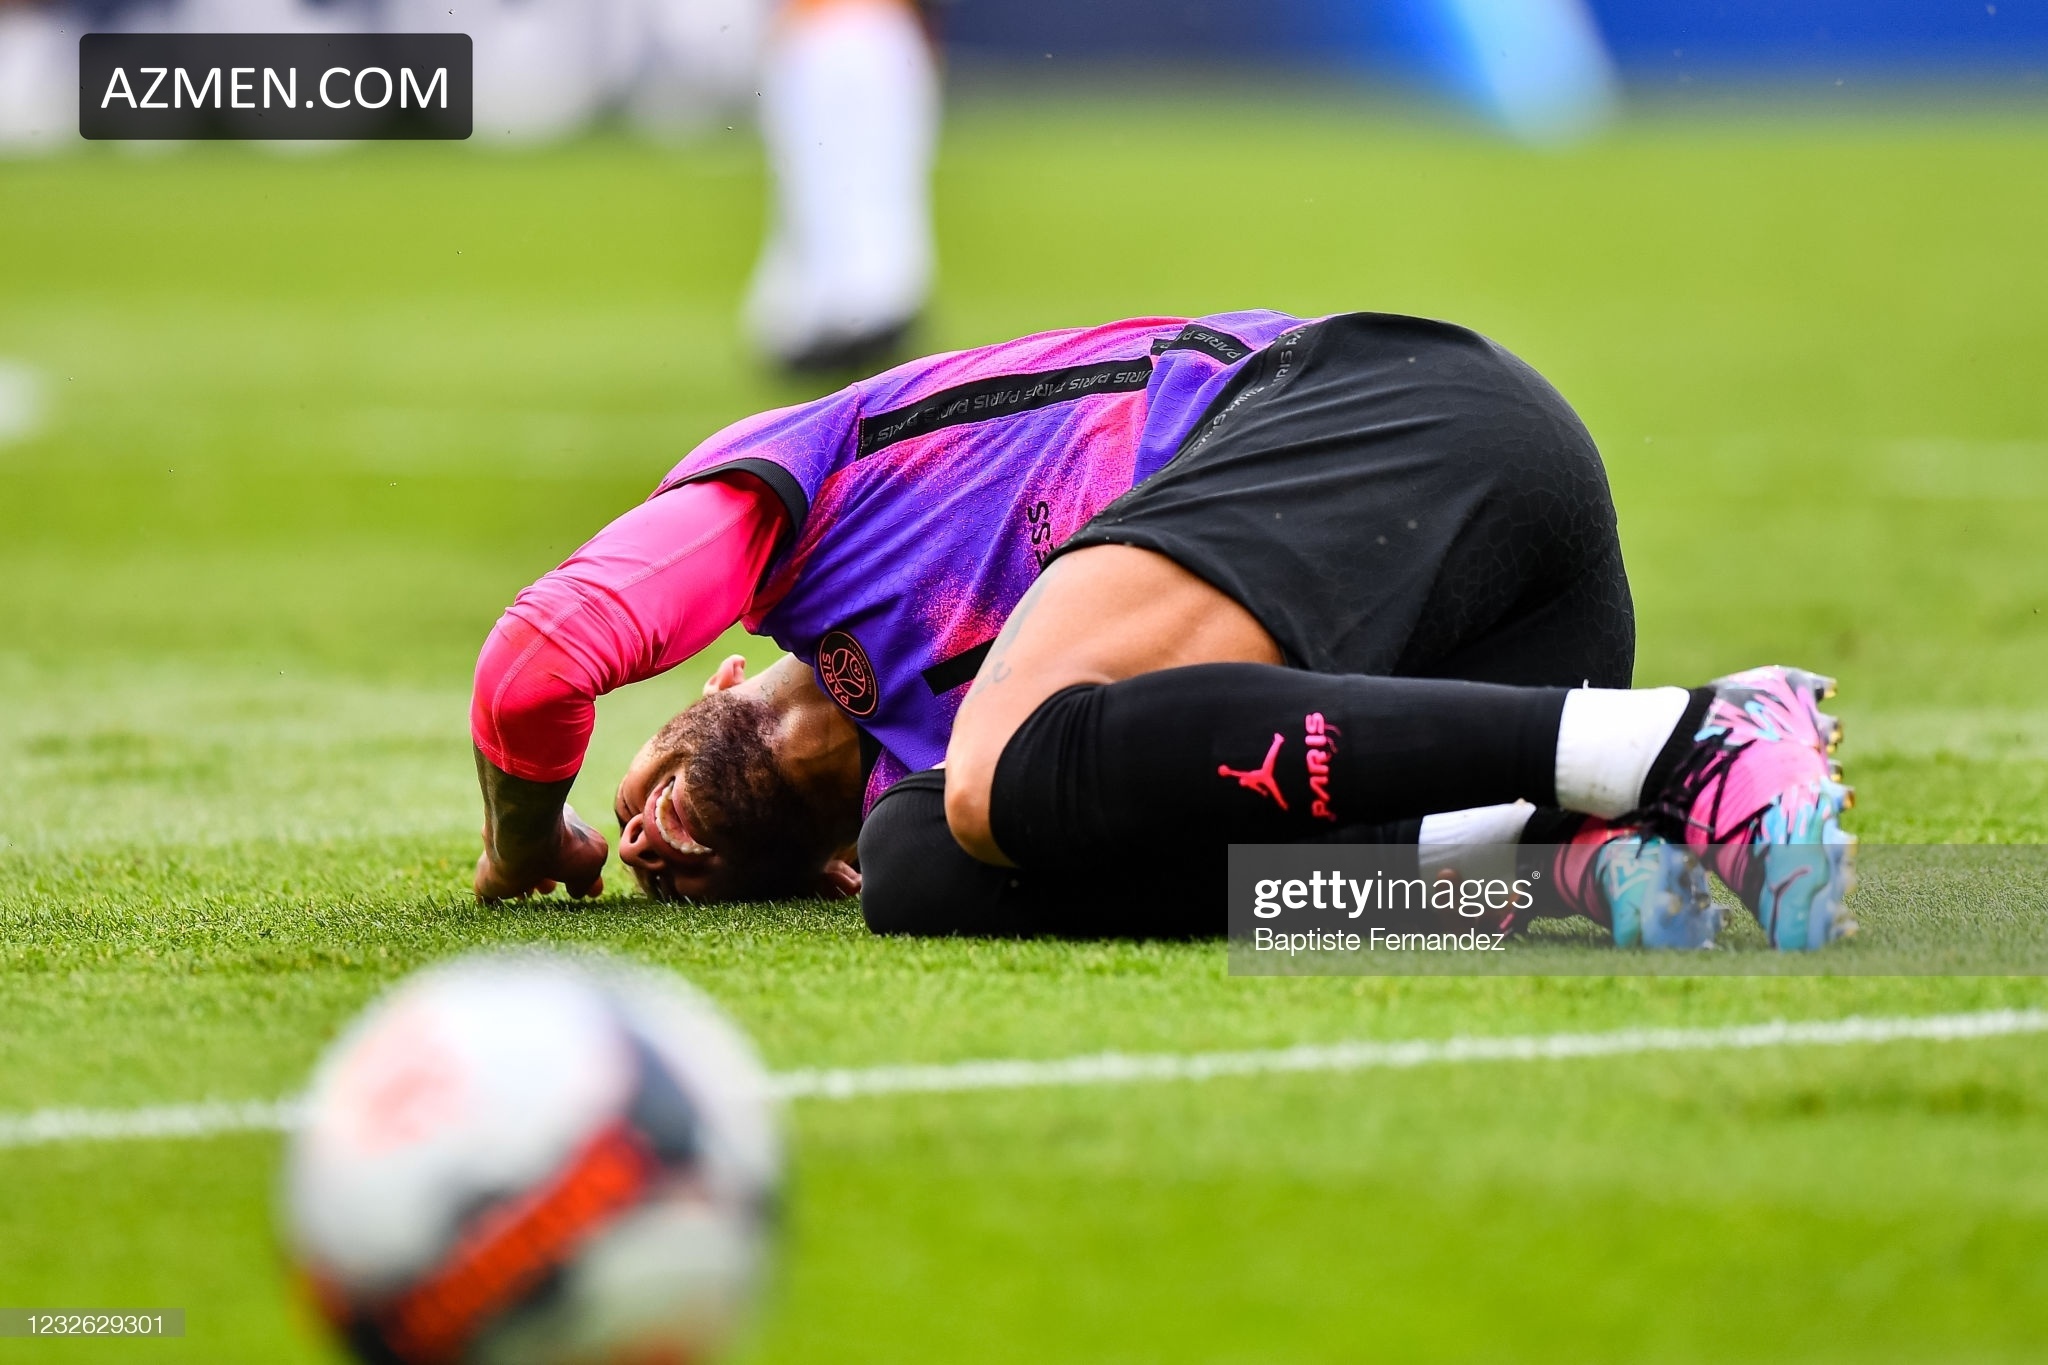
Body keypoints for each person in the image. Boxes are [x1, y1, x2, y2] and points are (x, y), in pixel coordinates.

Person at [469, 310, 1857, 950]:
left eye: (628, 807)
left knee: (996, 776)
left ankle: (1690, 737)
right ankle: (1540, 871)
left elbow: (535, 669)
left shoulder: (808, 496)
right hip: (1462, 687)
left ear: (713, 679)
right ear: (815, 877)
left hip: (1411, 418)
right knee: (937, 870)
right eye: (661, 882)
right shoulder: (900, 820)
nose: (640, 848)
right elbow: (963, 826)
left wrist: (533, 842)